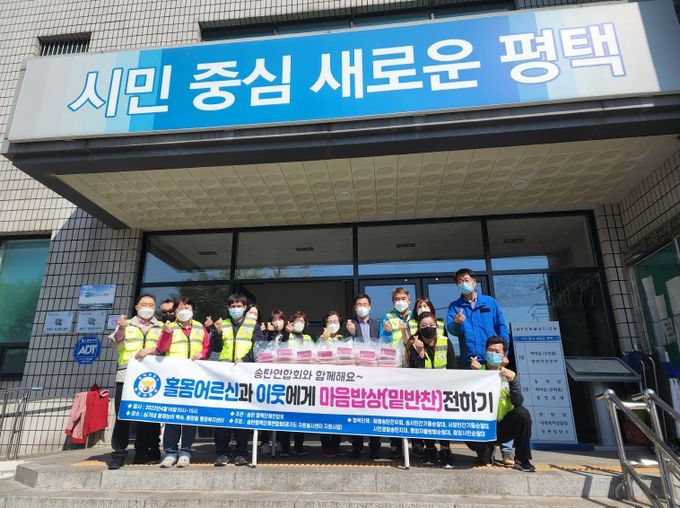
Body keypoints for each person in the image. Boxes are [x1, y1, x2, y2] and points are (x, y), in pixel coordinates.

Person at [446, 268, 514, 465]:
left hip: (494, 359)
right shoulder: (455, 306)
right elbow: (452, 330)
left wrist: (504, 353)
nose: (463, 283)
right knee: (478, 405)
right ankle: (485, 448)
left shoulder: (489, 302)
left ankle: (507, 448)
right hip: (471, 361)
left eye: (466, 280)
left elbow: (501, 327)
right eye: (460, 281)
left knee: (502, 401)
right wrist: (457, 323)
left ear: (474, 282)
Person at [139, 296, 211, 468]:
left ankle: (185, 451)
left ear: (193, 310)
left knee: (189, 417)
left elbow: (207, 348)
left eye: (187, 308)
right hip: (173, 378)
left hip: (193, 378)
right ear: (175, 311)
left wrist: (202, 354)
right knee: (172, 416)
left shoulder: (200, 327)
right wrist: (167, 333)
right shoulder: (169, 327)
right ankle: (170, 452)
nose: (183, 311)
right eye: (180, 308)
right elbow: (162, 348)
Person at [107, 294, 163, 469]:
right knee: (123, 415)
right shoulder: (126, 324)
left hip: (152, 378)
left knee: (148, 416)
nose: (147, 307)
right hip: (127, 376)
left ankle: (144, 452)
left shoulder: (161, 326)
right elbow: (115, 344)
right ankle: (119, 453)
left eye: (151, 305)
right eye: (144, 304)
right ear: (137, 307)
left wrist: (151, 350)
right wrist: (121, 328)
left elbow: (165, 348)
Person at [211, 294, 266, 467]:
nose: (235, 308)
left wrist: (245, 359)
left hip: (244, 374)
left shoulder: (253, 325)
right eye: (232, 306)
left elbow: (259, 348)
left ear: (244, 307)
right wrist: (218, 333)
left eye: (239, 305)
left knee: (242, 415)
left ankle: (241, 452)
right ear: (228, 308)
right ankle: (222, 453)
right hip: (224, 375)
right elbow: (215, 348)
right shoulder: (223, 324)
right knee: (222, 416)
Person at [466, 336, 535, 472]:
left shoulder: (510, 374)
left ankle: (522, 459)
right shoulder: (476, 371)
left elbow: (518, 402)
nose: (493, 354)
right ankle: (485, 450)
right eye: (490, 350)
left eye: (497, 351)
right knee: (483, 457)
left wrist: (512, 381)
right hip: (482, 426)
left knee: (523, 414)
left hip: (502, 426)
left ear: (504, 355)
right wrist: (476, 374)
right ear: (485, 352)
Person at [407, 312, 457, 468]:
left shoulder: (445, 341)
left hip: (444, 389)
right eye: (424, 325)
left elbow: (453, 366)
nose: (428, 328)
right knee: (427, 419)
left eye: (431, 325)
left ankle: (445, 449)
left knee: (444, 420)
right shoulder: (414, 344)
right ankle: (429, 448)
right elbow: (416, 370)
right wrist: (420, 352)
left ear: (436, 326)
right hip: (425, 392)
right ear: (418, 328)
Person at [379, 287, 417, 460]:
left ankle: (417, 444)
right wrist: (387, 332)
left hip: (414, 364)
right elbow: (383, 341)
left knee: (415, 405)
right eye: (396, 299)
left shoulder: (416, 317)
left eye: (403, 298)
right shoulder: (387, 317)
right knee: (394, 405)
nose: (400, 301)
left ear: (409, 300)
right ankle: (395, 445)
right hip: (394, 365)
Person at [345, 294, 381, 459]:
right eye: (359, 304)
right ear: (355, 307)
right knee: (356, 409)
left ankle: (375, 446)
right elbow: (344, 346)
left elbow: (383, 344)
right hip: (357, 373)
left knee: (374, 409)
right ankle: (357, 446)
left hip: (374, 373)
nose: (362, 307)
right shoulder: (348, 325)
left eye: (365, 304)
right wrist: (352, 333)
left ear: (370, 307)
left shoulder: (377, 324)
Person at [275, 310, 312, 456]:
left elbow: (314, 354)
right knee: (284, 415)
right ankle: (285, 448)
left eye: (302, 321)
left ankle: (298, 447)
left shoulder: (308, 338)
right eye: (297, 321)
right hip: (287, 380)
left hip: (303, 380)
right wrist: (286, 333)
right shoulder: (285, 335)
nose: (299, 323)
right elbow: (279, 348)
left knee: (300, 416)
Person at [317, 310, 345, 458]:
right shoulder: (320, 339)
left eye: (335, 321)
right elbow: (317, 355)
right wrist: (325, 340)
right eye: (330, 322)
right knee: (325, 415)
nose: (333, 324)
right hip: (325, 382)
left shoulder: (343, 339)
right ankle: (326, 446)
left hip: (340, 382)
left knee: (338, 415)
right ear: (325, 324)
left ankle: (336, 444)